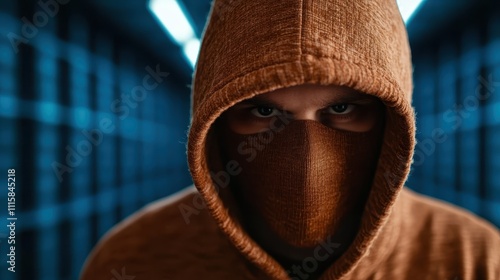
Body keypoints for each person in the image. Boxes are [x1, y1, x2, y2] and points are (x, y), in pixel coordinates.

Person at [80, 0, 500, 279]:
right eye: (264, 112)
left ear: (394, 124)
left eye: (341, 110)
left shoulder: (473, 259)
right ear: (215, 124)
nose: (305, 157)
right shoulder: (132, 260)